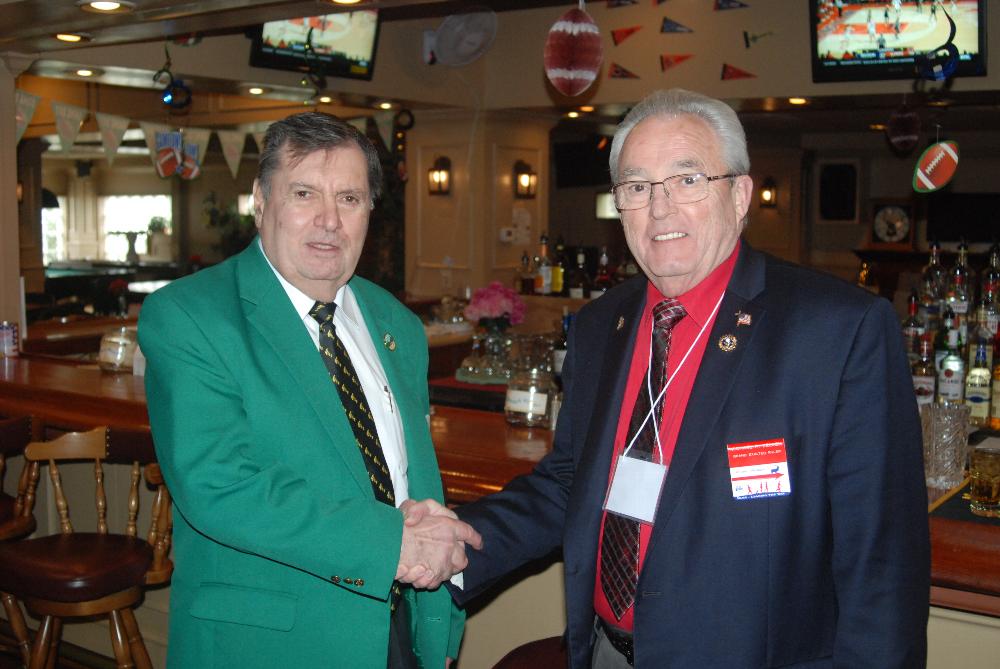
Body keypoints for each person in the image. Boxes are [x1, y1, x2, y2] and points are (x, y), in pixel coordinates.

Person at [417, 88, 930, 667]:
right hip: (607, 650)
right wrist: (458, 542)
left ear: (738, 195)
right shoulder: (599, 325)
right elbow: (569, 482)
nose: (660, 209)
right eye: (637, 188)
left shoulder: (838, 330)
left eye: (688, 181)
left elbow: (882, 562)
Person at [139, 111, 480, 668]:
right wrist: (392, 544)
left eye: (349, 198)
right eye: (303, 194)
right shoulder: (189, 315)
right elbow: (221, 486)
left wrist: (434, 626)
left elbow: (411, 478)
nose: (329, 221)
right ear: (259, 200)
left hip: (394, 630)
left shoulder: (398, 325)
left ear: (371, 210)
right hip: (271, 643)